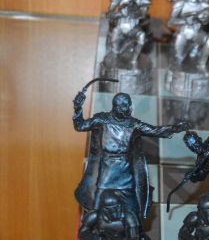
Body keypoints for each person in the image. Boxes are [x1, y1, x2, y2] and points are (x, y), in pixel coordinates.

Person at [73, 90, 189, 219]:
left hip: (125, 171)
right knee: (97, 207)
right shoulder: (101, 119)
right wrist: (78, 107)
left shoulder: (134, 124)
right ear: (116, 107)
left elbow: (154, 130)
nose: (129, 108)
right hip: (106, 170)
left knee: (133, 207)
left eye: (129, 105)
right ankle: (93, 225)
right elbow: (80, 126)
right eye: (125, 106)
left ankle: (133, 225)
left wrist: (174, 128)